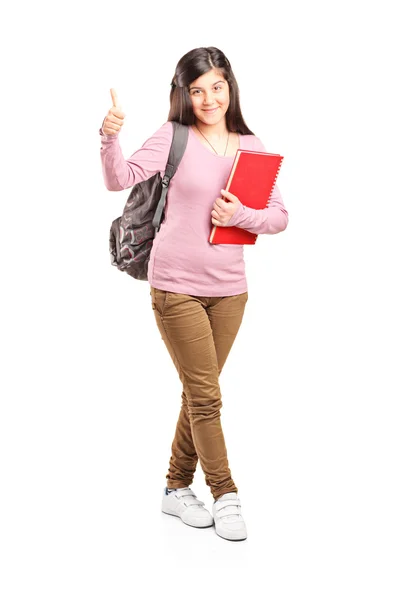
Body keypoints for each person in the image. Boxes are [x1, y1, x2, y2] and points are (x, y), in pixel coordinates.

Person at [99, 46, 288, 542]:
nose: (208, 99)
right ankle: (226, 494)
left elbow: (279, 217)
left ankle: (175, 487)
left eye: (217, 87)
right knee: (207, 398)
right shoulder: (173, 137)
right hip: (175, 286)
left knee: (196, 393)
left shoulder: (251, 143)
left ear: (230, 87)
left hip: (230, 291)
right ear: (183, 94)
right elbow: (118, 179)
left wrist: (240, 217)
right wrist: (110, 138)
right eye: (196, 90)